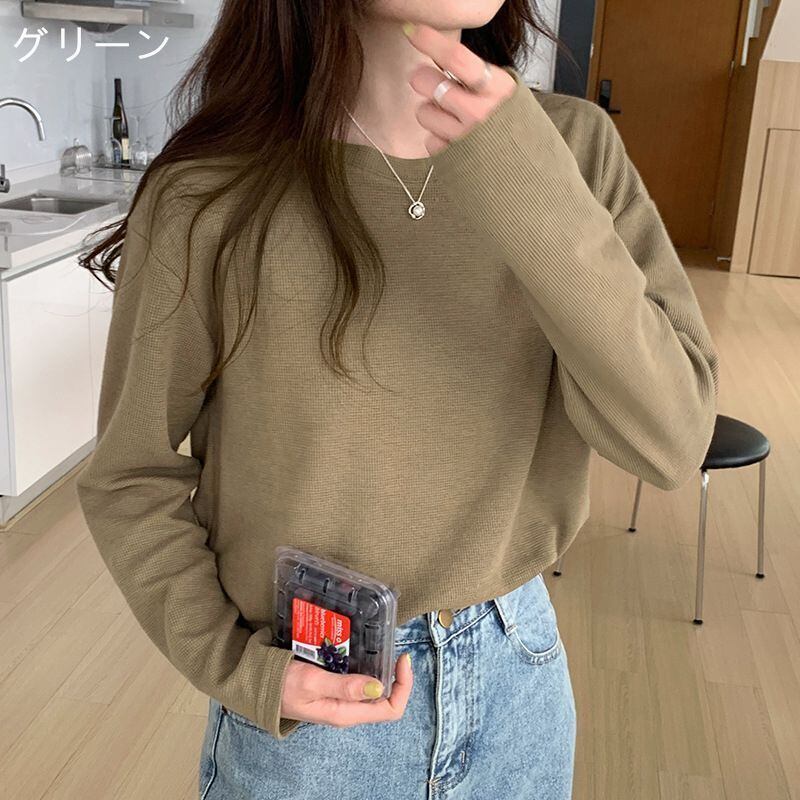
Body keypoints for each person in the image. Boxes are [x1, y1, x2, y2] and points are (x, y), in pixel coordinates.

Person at [75, 2, 720, 798]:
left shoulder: (571, 149)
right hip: (315, 699)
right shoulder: (214, 187)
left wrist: (527, 183)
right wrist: (237, 666)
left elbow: (669, 438)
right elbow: (128, 473)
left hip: (516, 675)